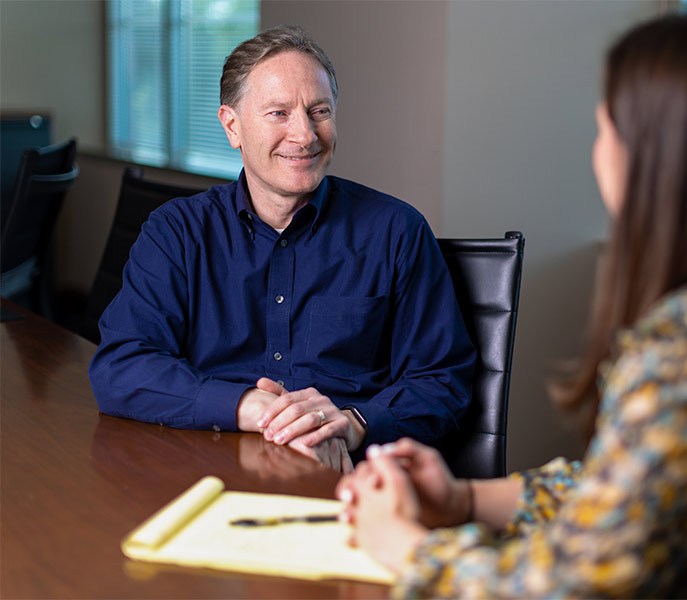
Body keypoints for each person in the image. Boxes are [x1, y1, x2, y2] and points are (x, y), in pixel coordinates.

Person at [336, 13, 687, 597]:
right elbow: (634, 492)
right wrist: (469, 497)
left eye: (604, 129)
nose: (598, 151)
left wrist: (399, 542)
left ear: (654, 157)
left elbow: (570, 588)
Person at [89, 25, 476, 473]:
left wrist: (354, 422)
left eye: (319, 111)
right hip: (211, 469)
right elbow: (121, 365)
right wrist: (249, 406)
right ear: (232, 126)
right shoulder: (176, 232)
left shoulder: (397, 231)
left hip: (350, 477)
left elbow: (441, 380)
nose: (305, 135)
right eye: (278, 113)